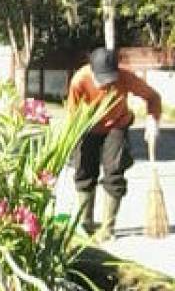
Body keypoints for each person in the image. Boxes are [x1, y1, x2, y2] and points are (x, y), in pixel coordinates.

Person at [67, 47, 162, 239]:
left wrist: (153, 119)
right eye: (102, 79)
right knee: (84, 171)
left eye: (110, 78)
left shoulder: (125, 77)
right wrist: (71, 142)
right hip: (87, 127)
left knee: (114, 172)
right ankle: (86, 224)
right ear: (92, 70)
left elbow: (153, 97)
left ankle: (107, 228)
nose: (106, 84)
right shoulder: (79, 80)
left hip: (116, 125)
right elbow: (72, 115)